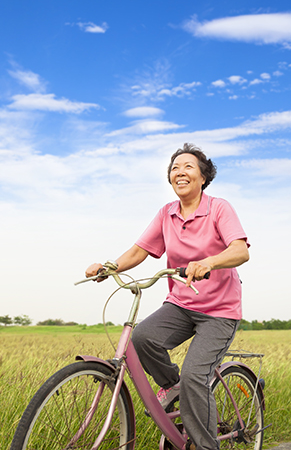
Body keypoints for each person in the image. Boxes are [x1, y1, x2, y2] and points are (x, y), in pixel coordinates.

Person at [85, 143, 249, 450]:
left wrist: (209, 262)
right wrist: (109, 266)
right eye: (174, 168)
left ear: (203, 177)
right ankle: (173, 386)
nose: (180, 172)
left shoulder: (219, 208)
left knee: (194, 376)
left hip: (219, 311)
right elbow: (139, 251)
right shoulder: (167, 213)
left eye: (188, 167)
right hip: (181, 304)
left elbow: (240, 250)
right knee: (142, 337)